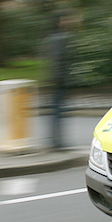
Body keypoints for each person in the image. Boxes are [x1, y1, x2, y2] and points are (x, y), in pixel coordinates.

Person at [48, 11, 74, 149]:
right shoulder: (59, 39)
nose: (67, 22)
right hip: (59, 81)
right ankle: (56, 142)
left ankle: (55, 141)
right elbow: (58, 60)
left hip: (59, 80)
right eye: (65, 20)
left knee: (58, 112)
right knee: (57, 112)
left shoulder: (60, 37)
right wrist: (60, 79)